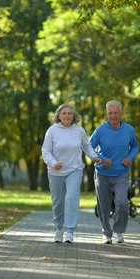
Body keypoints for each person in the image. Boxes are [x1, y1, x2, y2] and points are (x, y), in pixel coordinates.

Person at [42, 103, 102, 244]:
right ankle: (58, 229)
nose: (67, 116)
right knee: (57, 201)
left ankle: (70, 231)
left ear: (74, 116)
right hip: (55, 171)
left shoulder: (79, 131)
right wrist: (53, 163)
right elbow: (45, 151)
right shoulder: (52, 130)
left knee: (72, 198)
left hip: (74, 169)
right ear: (58, 116)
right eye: (64, 113)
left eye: (70, 113)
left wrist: (94, 157)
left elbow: (87, 146)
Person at [90, 100, 140, 244]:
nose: (112, 116)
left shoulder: (129, 130)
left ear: (120, 113)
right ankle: (106, 233)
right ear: (107, 113)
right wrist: (100, 158)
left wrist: (130, 157)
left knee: (122, 202)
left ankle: (118, 232)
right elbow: (89, 147)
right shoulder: (100, 130)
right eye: (110, 113)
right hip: (102, 173)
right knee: (104, 206)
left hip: (121, 173)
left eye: (115, 113)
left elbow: (135, 146)